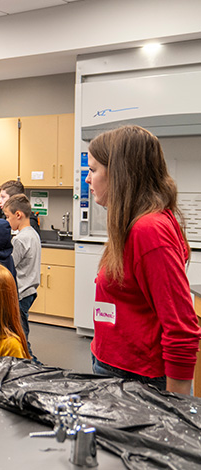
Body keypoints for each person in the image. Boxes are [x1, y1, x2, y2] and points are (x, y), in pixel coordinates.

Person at [87, 125, 201, 394]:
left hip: (136, 378)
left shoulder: (149, 230)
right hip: (115, 365)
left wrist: (176, 408)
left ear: (119, 174)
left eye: (93, 170)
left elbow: (182, 329)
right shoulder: (133, 224)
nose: (88, 180)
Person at [3, 194, 41, 358]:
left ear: (18, 215)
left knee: (20, 337)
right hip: (30, 291)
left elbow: (9, 265)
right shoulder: (33, 234)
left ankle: (33, 366)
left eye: (7, 216)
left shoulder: (20, 239)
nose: (6, 221)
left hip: (20, 293)